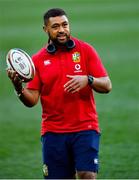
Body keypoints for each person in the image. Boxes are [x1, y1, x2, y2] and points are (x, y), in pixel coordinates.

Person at [7, 8, 112, 179]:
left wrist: (88, 80)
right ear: (45, 30)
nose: (62, 30)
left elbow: (107, 85)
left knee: (87, 174)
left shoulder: (85, 50)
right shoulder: (38, 60)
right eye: (55, 26)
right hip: (53, 132)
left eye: (65, 25)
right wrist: (19, 88)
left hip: (85, 127)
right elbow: (32, 100)